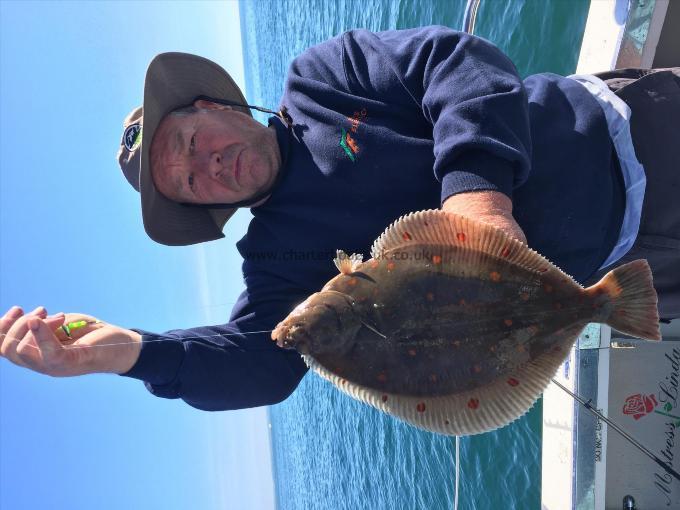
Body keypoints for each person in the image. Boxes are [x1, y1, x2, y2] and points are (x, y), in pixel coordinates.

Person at [1, 27, 678, 411]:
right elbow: (259, 363)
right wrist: (134, 354)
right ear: (203, 209)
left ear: (217, 104)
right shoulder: (277, 261)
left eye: (188, 141)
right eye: (188, 185)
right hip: (627, 271)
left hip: (630, 137)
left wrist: (478, 199)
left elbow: (456, 64)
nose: (205, 166)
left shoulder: (324, 79)